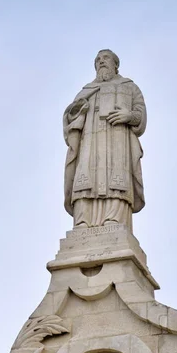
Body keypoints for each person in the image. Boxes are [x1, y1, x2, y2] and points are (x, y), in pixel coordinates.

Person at [63, 49, 147, 229]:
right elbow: (70, 117)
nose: (101, 61)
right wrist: (77, 111)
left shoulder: (129, 87)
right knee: (85, 177)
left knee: (116, 177)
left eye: (106, 58)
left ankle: (114, 218)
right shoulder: (86, 90)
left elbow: (140, 114)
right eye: (98, 59)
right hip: (89, 142)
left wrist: (129, 116)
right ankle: (83, 220)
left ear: (116, 65)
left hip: (118, 140)